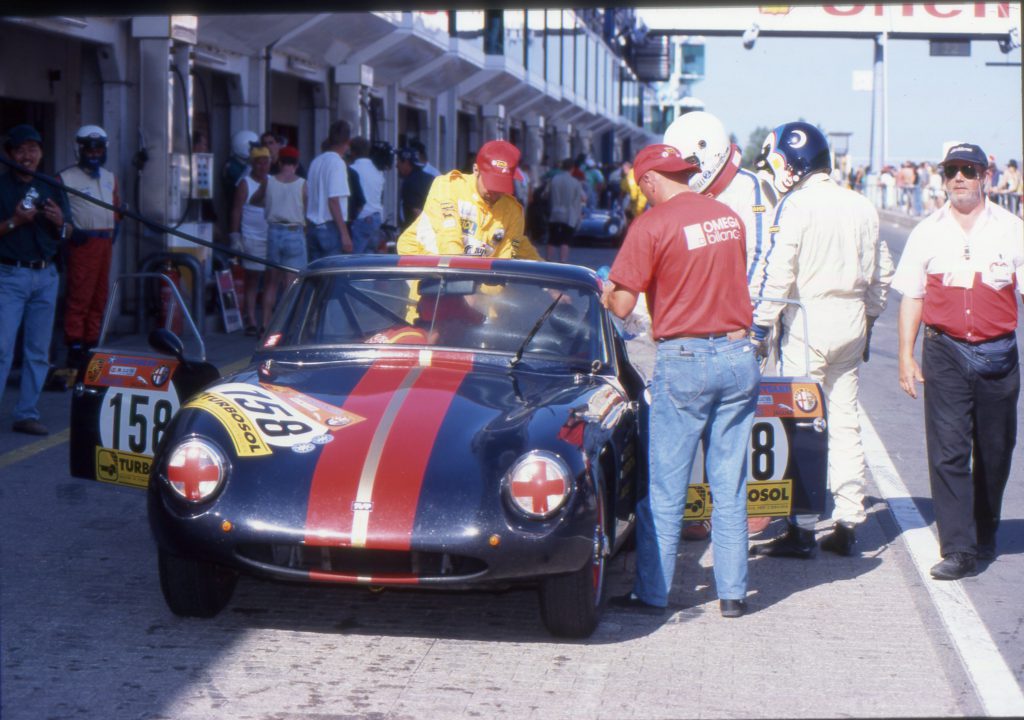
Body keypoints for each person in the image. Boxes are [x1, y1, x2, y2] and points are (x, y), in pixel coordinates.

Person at [602, 143, 759, 618]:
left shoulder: (651, 224)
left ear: (649, 180)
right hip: (737, 353)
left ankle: (653, 593)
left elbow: (624, 306)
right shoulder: (727, 217)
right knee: (728, 483)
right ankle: (733, 594)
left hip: (685, 357)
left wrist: (608, 291)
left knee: (668, 485)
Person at [748, 122, 894, 559]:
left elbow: (778, 274)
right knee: (846, 421)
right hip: (850, 318)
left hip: (807, 319)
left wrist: (759, 327)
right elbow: (880, 273)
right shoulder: (861, 205)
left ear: (792, 165)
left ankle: (801, 525)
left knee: (800, 424)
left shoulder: (794, 207)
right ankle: (849, 518)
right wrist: (868, 319)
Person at [893, 142, 1023, 580]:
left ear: (986, 175)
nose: (959, 178)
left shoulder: (1011, 229)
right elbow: (913, 296)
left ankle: (984, 532)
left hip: (998, 355)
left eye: (968, 169)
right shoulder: (927, 231)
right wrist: (905, 356)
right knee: (948, 451)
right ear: (943, 177)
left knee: (996, 450)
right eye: (951, 171)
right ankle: (958, 547)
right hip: (945, 351)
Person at [664, 109, 780, 540]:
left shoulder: (751, 191)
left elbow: (766, 260)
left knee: (740, 423)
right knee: (694, 418)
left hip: (740, 327)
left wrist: (752, 324)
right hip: (699, 325)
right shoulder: (693, 197)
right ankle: (699, 506)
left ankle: (752, 505)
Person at [0, 124, 71, 435]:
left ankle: (26, 413)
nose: (26, 156)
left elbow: (69, 231)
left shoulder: (51, 185)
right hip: (9, 275)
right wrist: (16, 220)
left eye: (33, 149)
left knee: (38, 351)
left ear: (41, 153)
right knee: (2, 347)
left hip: (46, 275)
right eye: (20, 150)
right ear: (10, 155)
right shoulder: (2, 187)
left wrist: (59, 222)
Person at [397, 139, 541, 260]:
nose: (496, 192)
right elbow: (449, 238)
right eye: (491, 184)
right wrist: (462, 285)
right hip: (424, 264)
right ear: (476, 169)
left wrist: (549, 284)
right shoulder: (448, 187)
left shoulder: (512, 211)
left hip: (470, 278)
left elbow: (513, 251)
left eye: (501, 186)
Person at [58, 124, 120, 370]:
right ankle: (74, 345)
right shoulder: (65, 178)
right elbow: (58, 213)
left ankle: (91, 342)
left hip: (105, 242)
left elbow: (117, 208)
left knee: (99, 295)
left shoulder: (110, 178)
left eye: (98, 149)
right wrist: (72, 233)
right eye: (89, 148)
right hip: (82, 243)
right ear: (79, 149)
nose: (94, 153)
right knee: (79, 296)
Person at [262, 144, 307, 330]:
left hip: (273, 232)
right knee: (291, 285)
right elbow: (306, 208)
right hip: (293, 232)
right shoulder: (302, 183)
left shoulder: (269, 181)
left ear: (279, 162)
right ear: (296, 164)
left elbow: (255, 199)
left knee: (271, 283)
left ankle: (265, 326)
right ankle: (285, 328)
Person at [229, 145, 271, 335]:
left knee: (270, 281)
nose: (263, 166)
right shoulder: (245, 183)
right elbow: (236, 210)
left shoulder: (272, 181)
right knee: (253, 280)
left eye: (266, 162)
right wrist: (235, 236)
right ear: (253, 165)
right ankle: (251, 319)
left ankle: (266, 321)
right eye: (259, 163)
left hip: (269, 237)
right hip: (251, 237)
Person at [305, 120, 353, 261]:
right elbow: (333, 199)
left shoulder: (316, 161)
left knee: (317, 279)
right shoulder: (337, 163)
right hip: (331, 227)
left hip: (313, 226)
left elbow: (307, 194)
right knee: (335, 277)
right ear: (347, 142)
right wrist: (344, 234)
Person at [542, 158, 587, 263]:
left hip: (554, 212)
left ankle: (548, 259)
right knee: (566, 239)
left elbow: (545, 194)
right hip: (569, 215)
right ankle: (563, 260)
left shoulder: (554, 179)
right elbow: (584, 197)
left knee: (552, 238)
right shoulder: (575, 182)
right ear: (572, 168)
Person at [348, 136, 384, 254]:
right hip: (376, 219)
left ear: (352, 152)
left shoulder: (352, 170)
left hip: (361, 219)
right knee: (369, 261)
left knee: (354, 262)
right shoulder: (377, 171)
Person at [396, 147, 433, 228]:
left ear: (406, 162)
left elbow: (417, 212)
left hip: (416, 233)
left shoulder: (411, 182)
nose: (397, 166)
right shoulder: (430, 178)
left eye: (398, 162)